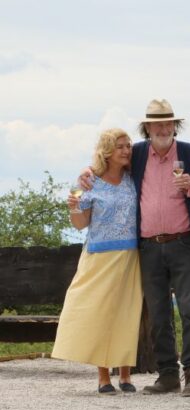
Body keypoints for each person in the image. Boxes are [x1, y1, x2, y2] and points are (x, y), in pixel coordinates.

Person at [79, 99, 190, 397]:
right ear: (148, 128)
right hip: (149, 248)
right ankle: (167, 375)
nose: (164, 128)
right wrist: (87, 173)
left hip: (185, 244)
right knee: (157, 313)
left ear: (174, 126)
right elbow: (107, 164)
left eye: (169, 123)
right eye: (157, 124)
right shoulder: (138, 152)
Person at [52, 129, 142, 394]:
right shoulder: (89, 182)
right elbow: (80, 224)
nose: (126, 151)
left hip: (130, 255)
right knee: (99, 312)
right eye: (120, 147)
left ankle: (125, 374)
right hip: (99, 256)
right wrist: (73, 207)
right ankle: (104, 376)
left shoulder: (133, 178)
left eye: (128, 146)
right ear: (107, 152)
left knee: (127, 312)